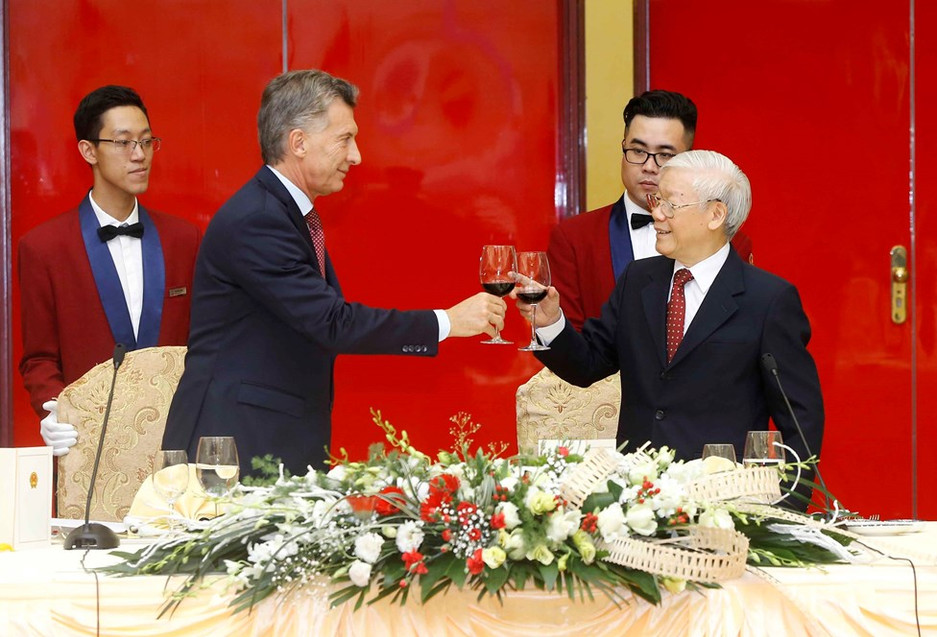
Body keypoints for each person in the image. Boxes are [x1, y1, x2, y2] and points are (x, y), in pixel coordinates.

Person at [162, 70, 506, 477]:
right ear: (299, 143)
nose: (357, 155)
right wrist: (447, 322)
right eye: (345, 139)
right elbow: (332, 322)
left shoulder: (283, 212)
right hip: (234, 445)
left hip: (271, 436)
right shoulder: (258, 219)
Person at [515, 150, 823, 496]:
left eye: (669, 205)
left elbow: (800, 419)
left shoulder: (767, 299)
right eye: (655, 200)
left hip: (725, 500)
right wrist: (551, 323)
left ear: (715, 214)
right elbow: (588, 364)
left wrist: (786, 508)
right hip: (637, 495)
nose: (656, 214)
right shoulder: (639, 280)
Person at [18, 85, 201, 456]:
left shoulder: (184, 239)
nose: (140, 155)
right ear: (89, 151)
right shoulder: (44, 247)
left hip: (174, 442)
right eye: (124, 143)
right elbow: (39, 358)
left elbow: (205, 345)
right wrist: (53, 410)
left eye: (148, 142)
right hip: (88, 446)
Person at [547, 90, 754, 331]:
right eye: (638, 151)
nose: (648, 166)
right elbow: (571, 343)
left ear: (688, 158)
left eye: (665, 155)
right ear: (623, 149)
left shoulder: (729, 242)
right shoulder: (575, 237)